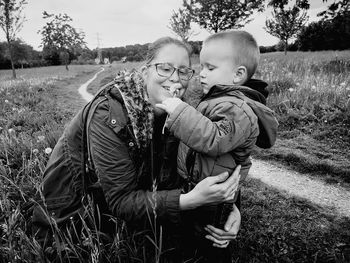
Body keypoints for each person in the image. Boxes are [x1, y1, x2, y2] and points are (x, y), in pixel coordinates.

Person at [31, 36, 242, 262]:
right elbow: (121, 201)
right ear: (145, 71)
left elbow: (211, 161)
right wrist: (190, 199)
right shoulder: (109, 114)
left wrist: (230, 208)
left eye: (183, 71)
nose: (175, 79)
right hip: (75, 211)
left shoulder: (182, 111)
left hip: (132, 198)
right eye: (164, 68)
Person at [156, 30, 278, 262]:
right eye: (201, 67)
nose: (201, 74)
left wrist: (179, 111)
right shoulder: (219, 99)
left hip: (217, 194)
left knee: (213, 240)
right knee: (194, 236)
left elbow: (215, 138)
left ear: (237, 74)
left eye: (210, 69)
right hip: (206, 185)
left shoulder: (238, 109)